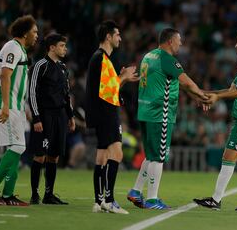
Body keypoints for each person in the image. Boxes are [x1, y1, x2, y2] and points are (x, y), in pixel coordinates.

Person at [127, 28, 208, 210]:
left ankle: (136, 191)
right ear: (170, 41)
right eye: (179, 40)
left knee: (150, 155)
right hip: (160, 114)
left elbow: (172, 81)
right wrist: (203, 96)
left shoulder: (149, 56)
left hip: (145, 112)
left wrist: (195, 96)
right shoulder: (167, 59)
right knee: (158, 157)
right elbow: (186, 81)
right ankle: (152, 199)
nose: (181, 43)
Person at [193, 28, 237, 211]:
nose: (236, 45)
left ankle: (216, 200)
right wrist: (209, 95)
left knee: (228, 156)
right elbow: (231, 89)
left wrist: (216, 97)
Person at [85, 20, 139, 214]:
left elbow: (110, 89)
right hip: (106, 112)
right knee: (117, 154)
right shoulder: (102, 59)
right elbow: (108, 92)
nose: (120, 38)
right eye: (117, 34)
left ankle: (99, 201)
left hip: (100, 111)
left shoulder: (100, 58)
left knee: (102, 156)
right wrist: (123, 77)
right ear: (108, 36)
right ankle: (109, 200)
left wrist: (122, 78)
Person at [0, 15, 38, 206]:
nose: (37, 35)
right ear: (25, 32)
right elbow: (5, 75)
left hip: (16, 106)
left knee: (18, 147)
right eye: (34, 32)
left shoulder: (19, 49)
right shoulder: (13, 47)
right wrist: (5, 105)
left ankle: (7, 195)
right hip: (7, 105)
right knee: (18, 147)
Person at [28, 33, 75, 205]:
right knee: (40, 155)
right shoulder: (40, 65)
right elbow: (31, 92)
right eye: (62, 46)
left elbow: (67, 95)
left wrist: (71, 116)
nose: (65, 49)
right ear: (52, 47)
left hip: (60, 116)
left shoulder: (63, 68)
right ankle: (34, 194)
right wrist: (36, 118)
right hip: (44, 116)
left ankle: (49, 194)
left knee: (54, 156)